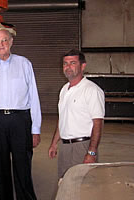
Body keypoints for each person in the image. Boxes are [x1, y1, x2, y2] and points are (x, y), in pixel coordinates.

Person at [0, 27, 42, 200]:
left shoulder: (24, 64)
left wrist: (35, 129)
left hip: (20, 120)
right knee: (0, 170)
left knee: (23, 168)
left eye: (4, 40)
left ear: (11, 42)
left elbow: (33, 97)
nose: (1, 45)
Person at [48, 49, 105, 180]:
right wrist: (54, 143)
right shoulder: (64, 90)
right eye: (65, 63)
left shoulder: (91, 90)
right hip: (65, 147)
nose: (68, 67)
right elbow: (63, 119)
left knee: (84, 186)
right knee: (65, 183)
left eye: (73, 63)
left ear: (83, 66)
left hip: (82, 146)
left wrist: (91, 152)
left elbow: (98, 124)